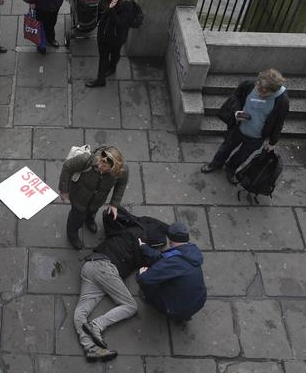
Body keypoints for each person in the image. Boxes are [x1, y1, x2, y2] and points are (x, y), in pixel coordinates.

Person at [74, 207, 167, 362]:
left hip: (90, 266)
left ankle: (91, 348)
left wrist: (115, 208)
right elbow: (158, 263)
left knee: (82, 310)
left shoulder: (127, 227)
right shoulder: (143, 247)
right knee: (130, 306)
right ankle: (96, 326)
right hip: (105, 269)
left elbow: (112, 216)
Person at [200, 69, 289, 183]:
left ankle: (230, 169)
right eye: (258, 87)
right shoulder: (250, 84)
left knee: (242, 156)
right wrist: (237, 112)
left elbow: (279, 122)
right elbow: (235, 96)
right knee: (225, 148)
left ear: (273, 91)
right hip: (238, 128)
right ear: (258, 81)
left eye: (264, 92)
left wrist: (272, 142)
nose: (259, 93)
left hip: (257, 137)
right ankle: (215, 164)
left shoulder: (282, 101)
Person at [59, 146, 128, 250]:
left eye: (104, 166)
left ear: (113, 168)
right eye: (99, 162)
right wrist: (64, 190)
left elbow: (121, 185)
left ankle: (89, 220)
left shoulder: (121, 171)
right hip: (79, 198)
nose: (99, 166)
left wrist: (114, 204)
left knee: (92, 212)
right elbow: (67, 167)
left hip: (97, 201)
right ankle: (72, 235)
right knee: (76, 218)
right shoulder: (86, 160)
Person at [136, 222, 207, 321]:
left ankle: (171, 311)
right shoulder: (191, 251)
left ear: (170, 241)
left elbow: (146, 279)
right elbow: (163, 258)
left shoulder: (173, 262)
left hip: (176, 309)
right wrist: (145, 248)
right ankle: (184, 315)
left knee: (146, 283)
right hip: (199, 301)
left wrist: (141, 274)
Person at [85, 0, 138, 88]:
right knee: (104, 56)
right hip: (104, 33)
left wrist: (111, 10)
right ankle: (105, 74)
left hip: (116, 37)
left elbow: (120, 23)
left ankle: (106, 74)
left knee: (113, 54)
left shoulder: (127, 5)